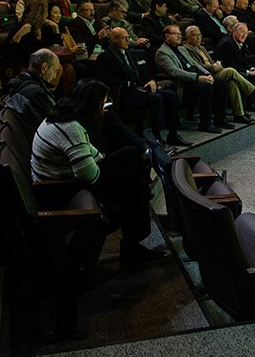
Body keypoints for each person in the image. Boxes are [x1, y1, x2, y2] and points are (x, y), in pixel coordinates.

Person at [30, 80, 168, 266]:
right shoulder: (71, 128)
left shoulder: (62, 117)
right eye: (103, 104)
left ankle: (134, 241)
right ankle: (132, 246)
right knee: (131, 163)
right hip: (62, 191)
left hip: (63, 183)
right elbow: (90, 176)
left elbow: (91, 153)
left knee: (132, 169)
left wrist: (106, 162)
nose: (105, 109)